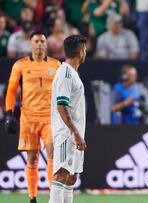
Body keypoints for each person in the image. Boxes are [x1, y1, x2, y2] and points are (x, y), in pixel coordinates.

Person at [4, 30, 61, 203]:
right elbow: (12, 90)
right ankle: (32, 197)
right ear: (30, 44)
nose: (40, 44)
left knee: (52, 153)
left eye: (42, 41)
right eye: (36, 41)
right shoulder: (20, 65)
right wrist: (9, 114)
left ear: (46, 44)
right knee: (32, 158)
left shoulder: (56, 64)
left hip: (49, 117)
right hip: (28, 118)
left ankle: (54, 197)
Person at [49, 35, 87, 203]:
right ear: (80, 52)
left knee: (71, 177)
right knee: (62, 174)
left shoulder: (72, 73)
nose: (86, 52)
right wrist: (75, 133)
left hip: (74, 133)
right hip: (66, 133)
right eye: (84, 49)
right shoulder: (65, 73)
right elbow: (61, 106)